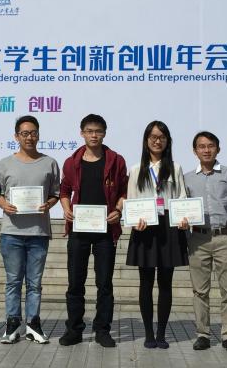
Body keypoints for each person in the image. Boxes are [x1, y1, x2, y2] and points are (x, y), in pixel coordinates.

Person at [58, 114, 127, 348]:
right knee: (75, 283)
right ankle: (74, 330)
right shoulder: (72, 162)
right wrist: (67, 209)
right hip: (78, 231)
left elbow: (125, 191)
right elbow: (64, 190)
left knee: (104, 284)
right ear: (82, 133)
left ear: (104, 133)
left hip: (105, 232)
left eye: (98, 131)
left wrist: (118, 210)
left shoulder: (116, 161)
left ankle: (102, 330)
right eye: (89, 131)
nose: (94, 135)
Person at [0, 115, 60, 344]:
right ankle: (12, 324)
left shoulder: (49, 163)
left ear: (38, 135)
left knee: (34, 283)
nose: (29, 137)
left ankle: (33, 324)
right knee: (13, 281)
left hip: (38, 233)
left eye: (33, 133)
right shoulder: (5, 163)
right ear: (16, 136)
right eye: (24, 133)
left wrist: (48, 204)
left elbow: (55, 193)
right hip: (11, 232)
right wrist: (4, 204)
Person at [125, 120, 189, 349]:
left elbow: (181, 197)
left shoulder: (175, 168)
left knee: (165, 283)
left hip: (169, 227)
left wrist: (184, 218)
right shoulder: (136, 169)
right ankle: (148, 334)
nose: (157, 141)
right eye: (153, 137)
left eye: (162, 137)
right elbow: (131, 200)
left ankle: (161, 333)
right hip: (144, 228)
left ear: (168, 141)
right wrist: (134, 222)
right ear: (146, 141)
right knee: (145, 283)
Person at [184, 131, 227, 352]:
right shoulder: (187, 178)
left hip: (225, 237)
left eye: (210, 146)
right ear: (195, 151)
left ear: (218, 149)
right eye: (201, 146)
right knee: (199, 291)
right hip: (198, 239)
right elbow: (182, 207)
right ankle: (202, 334)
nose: (206, 150)